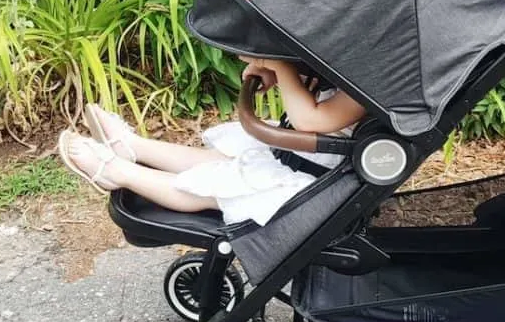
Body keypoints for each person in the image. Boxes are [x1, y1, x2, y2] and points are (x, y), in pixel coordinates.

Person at [57, 57, 367, 225]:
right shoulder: (372, 59)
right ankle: (132, 146)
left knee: (217, 185)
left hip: (317, 180)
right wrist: (286, 70)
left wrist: (281, 68)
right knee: (224, 157)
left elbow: (312, 120)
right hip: (305, 154)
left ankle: (117, 172)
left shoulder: (380, 79)